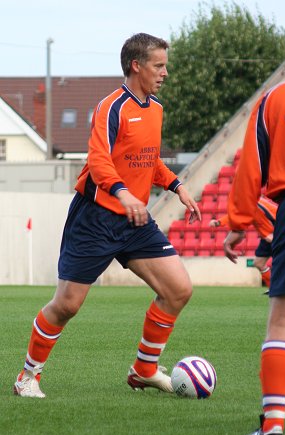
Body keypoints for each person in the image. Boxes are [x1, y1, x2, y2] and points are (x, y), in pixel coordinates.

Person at [13, 33, 201, 398]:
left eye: (165, 65)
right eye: (158, 65)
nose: (165, 72)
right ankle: (27, 377)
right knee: (67, 304)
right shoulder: (111, 107)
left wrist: (178, 186)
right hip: (96, 217)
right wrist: (122, 192)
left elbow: (148, 160)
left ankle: (144, 370)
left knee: (178, 289)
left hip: (134, 220)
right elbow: (99, 161)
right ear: (136, 65)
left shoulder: (156, 108)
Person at [223, 22, 285, 435]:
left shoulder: (274, 98)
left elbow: (250, 169)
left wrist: (236, 225)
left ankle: (272, 425)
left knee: (284, 323)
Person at [209, 195, 277, 290]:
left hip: (279, 230)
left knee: (284, 262)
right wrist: (219, 222)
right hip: (270, 233)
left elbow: (263, 218)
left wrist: (268, 235)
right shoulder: (250, 202)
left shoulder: (253, 205)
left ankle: (282, 290)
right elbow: (237, 216)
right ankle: (273, 288)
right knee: (259, 263)